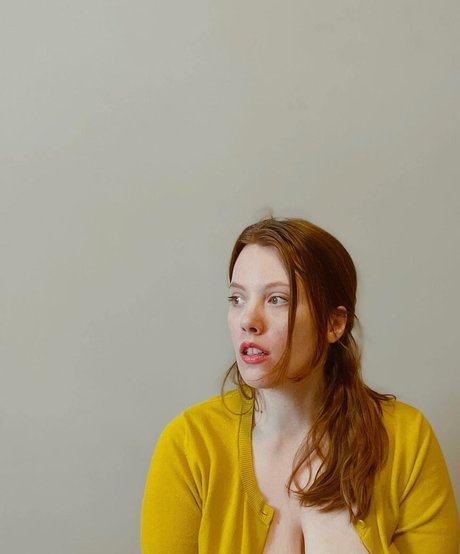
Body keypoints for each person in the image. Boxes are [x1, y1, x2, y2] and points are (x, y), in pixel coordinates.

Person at [140, 216, 459, 553]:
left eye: (277, 299)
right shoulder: (189, 445)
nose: (248, 320)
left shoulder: (407, 439)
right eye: (237, 299)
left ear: (334, 323)